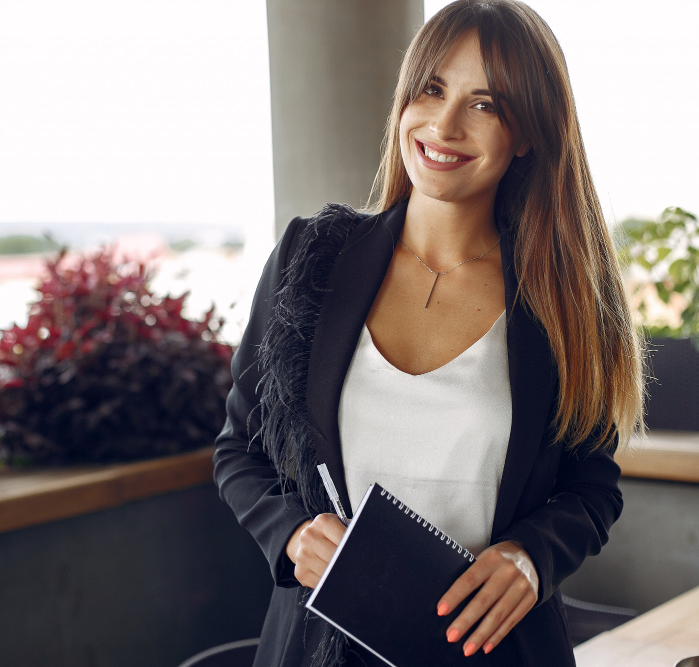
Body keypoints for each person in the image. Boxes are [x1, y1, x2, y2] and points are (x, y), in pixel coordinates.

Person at [213, 1, 644, 665]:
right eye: (432, 88)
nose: (444, 124)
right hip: (317, 646)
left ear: (526, 133)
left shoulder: (566, 299)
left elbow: (593, 488)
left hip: (493, 649)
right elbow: (237, 449)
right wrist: (292, 534)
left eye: (486, 103)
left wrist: (531, 558)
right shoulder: (310, 260)